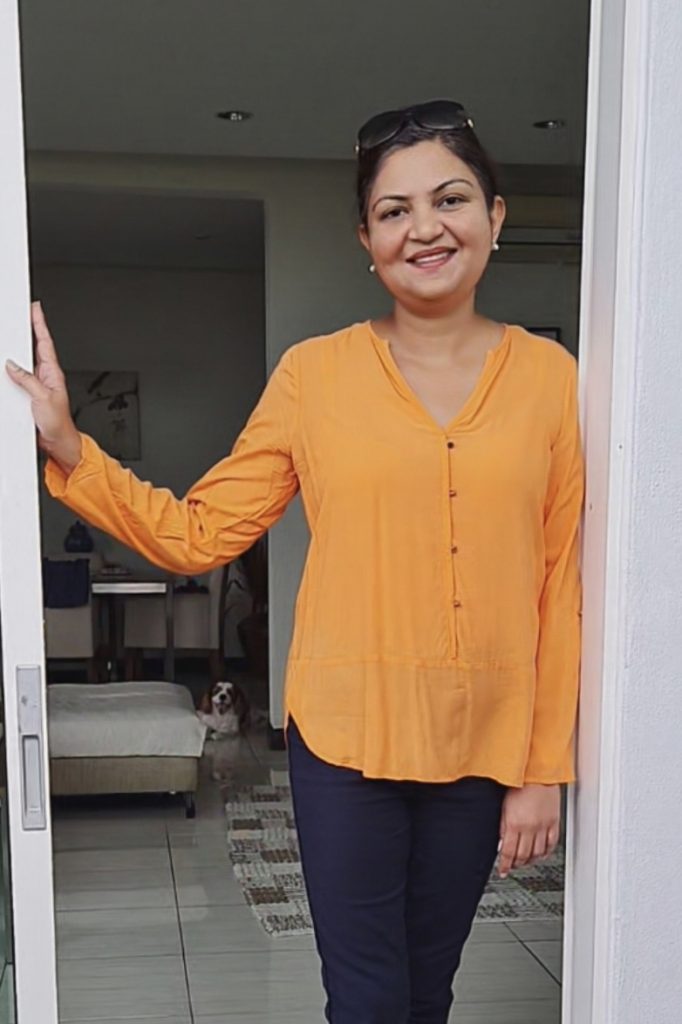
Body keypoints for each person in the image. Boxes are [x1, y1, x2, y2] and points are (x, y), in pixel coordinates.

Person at [6, 99, 584, 1024]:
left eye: (451, 199)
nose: (425, 228)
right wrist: (73, 446)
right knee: (363, 999)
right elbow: (198, 534)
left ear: (496, 215)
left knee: (427, 993)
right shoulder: (313, 376)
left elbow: (562, 582)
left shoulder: (555, 383)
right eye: (394, 211)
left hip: (484, 746)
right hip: (346, 746)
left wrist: (540, 769)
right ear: (365, 237)